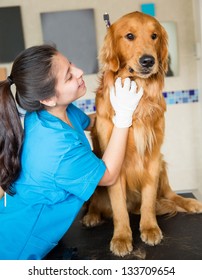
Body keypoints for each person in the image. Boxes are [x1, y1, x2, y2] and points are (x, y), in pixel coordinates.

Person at [0, 45, 143, 260]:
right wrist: (123, 116)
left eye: (71, 64)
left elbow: (92, 121)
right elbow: (109, 175)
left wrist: (113, 105)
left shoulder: (55, 112)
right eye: (69, 76)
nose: (79, 72)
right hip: (17, 248)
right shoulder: (56, 149)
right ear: (48, 98)